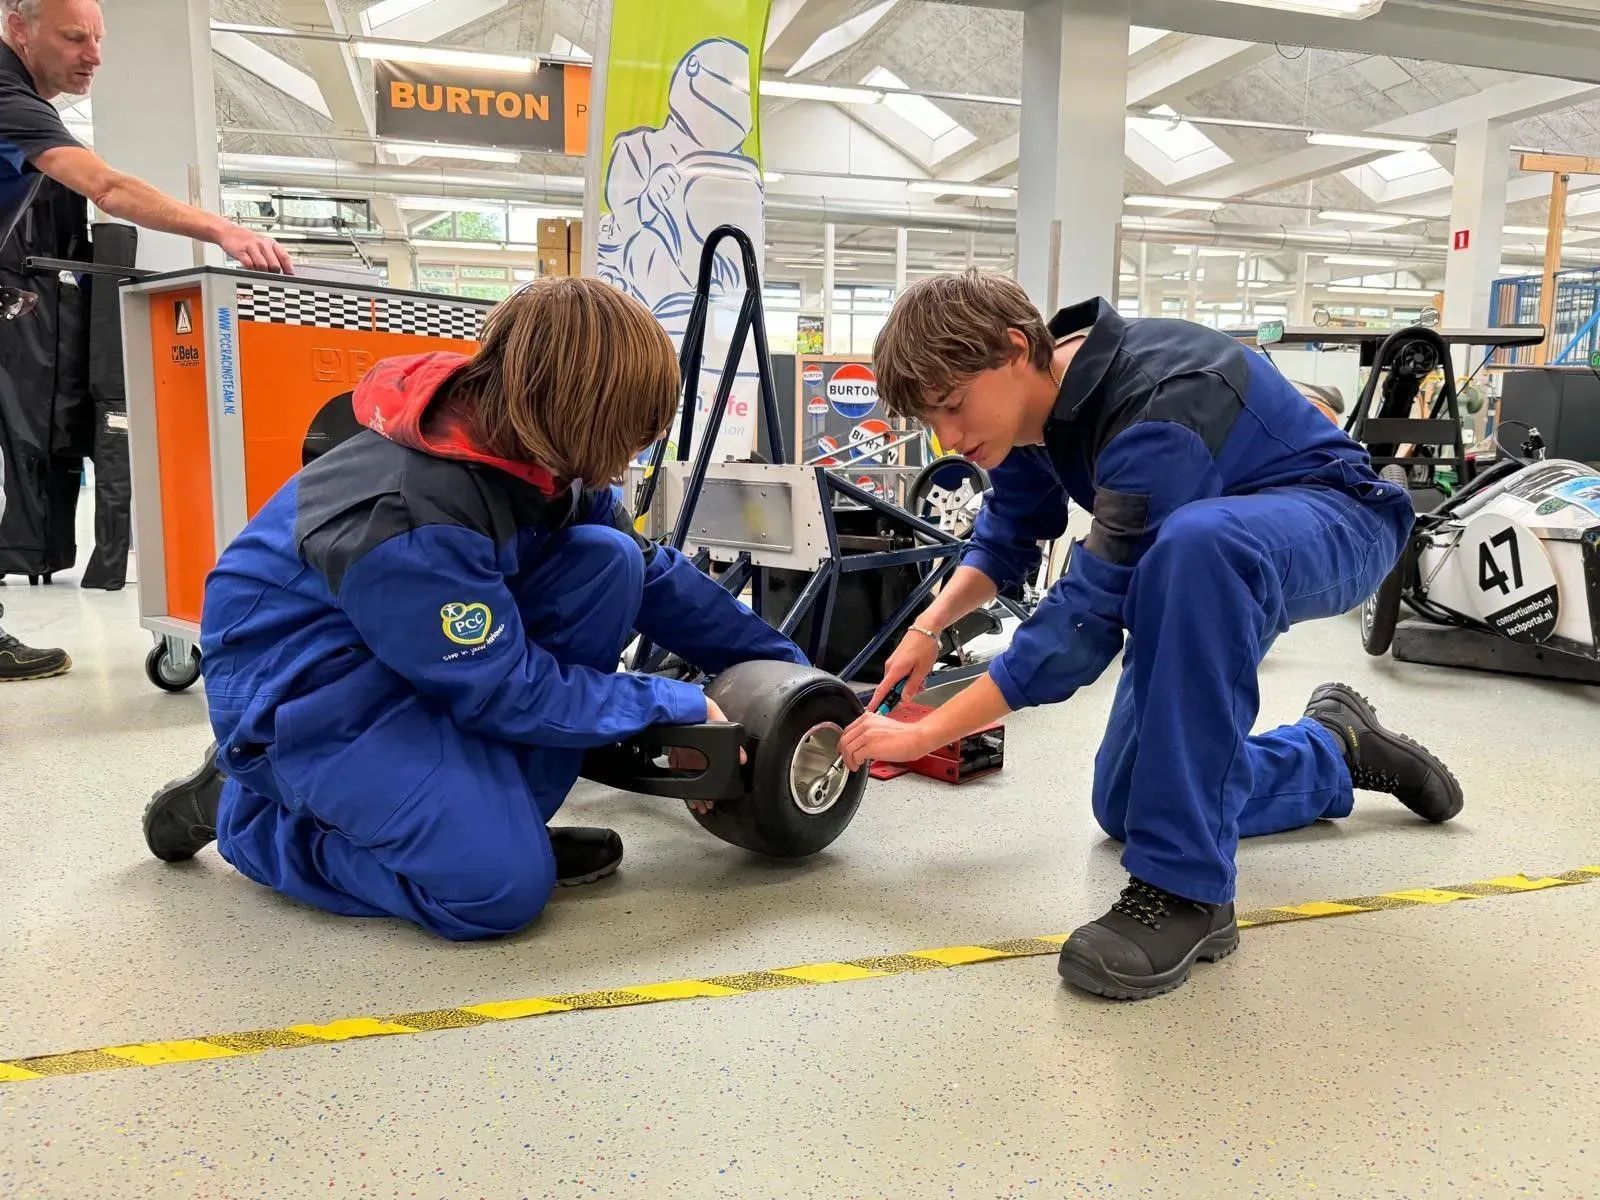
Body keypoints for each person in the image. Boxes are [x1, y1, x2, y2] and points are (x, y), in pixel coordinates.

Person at [839, 272, 1463, 1001]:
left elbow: (1082, 624)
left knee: (1196, 546)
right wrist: (927, 627)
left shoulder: (1152, 407)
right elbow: (1008, 535)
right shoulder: (1034, 407)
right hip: (1209, 557)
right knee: (1130, 802)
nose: (949, 437)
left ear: (1011, 348)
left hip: (1340, 520)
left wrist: (925, 733)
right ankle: (1332, 748)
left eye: (952, 406)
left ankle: (1186, 893)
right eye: (931, 420)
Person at [142, 277, 808, 940]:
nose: (631, 453)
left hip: (412, 649)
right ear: (580, 413)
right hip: (303, 687)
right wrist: (670, 703)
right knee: (496, 891)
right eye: (630, 432)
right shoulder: (413, 515)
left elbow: (655, 578)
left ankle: (486, 827)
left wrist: (793, 673)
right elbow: (505, 691)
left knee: (610, 559)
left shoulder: (530, 444)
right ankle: (246, 816)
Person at [0, 0, 292, 681]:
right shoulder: (9, 96)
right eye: (74, 37)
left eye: (98, 38)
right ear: (19, 28)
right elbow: (107, 188)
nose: (94, 55)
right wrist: (222, 230)